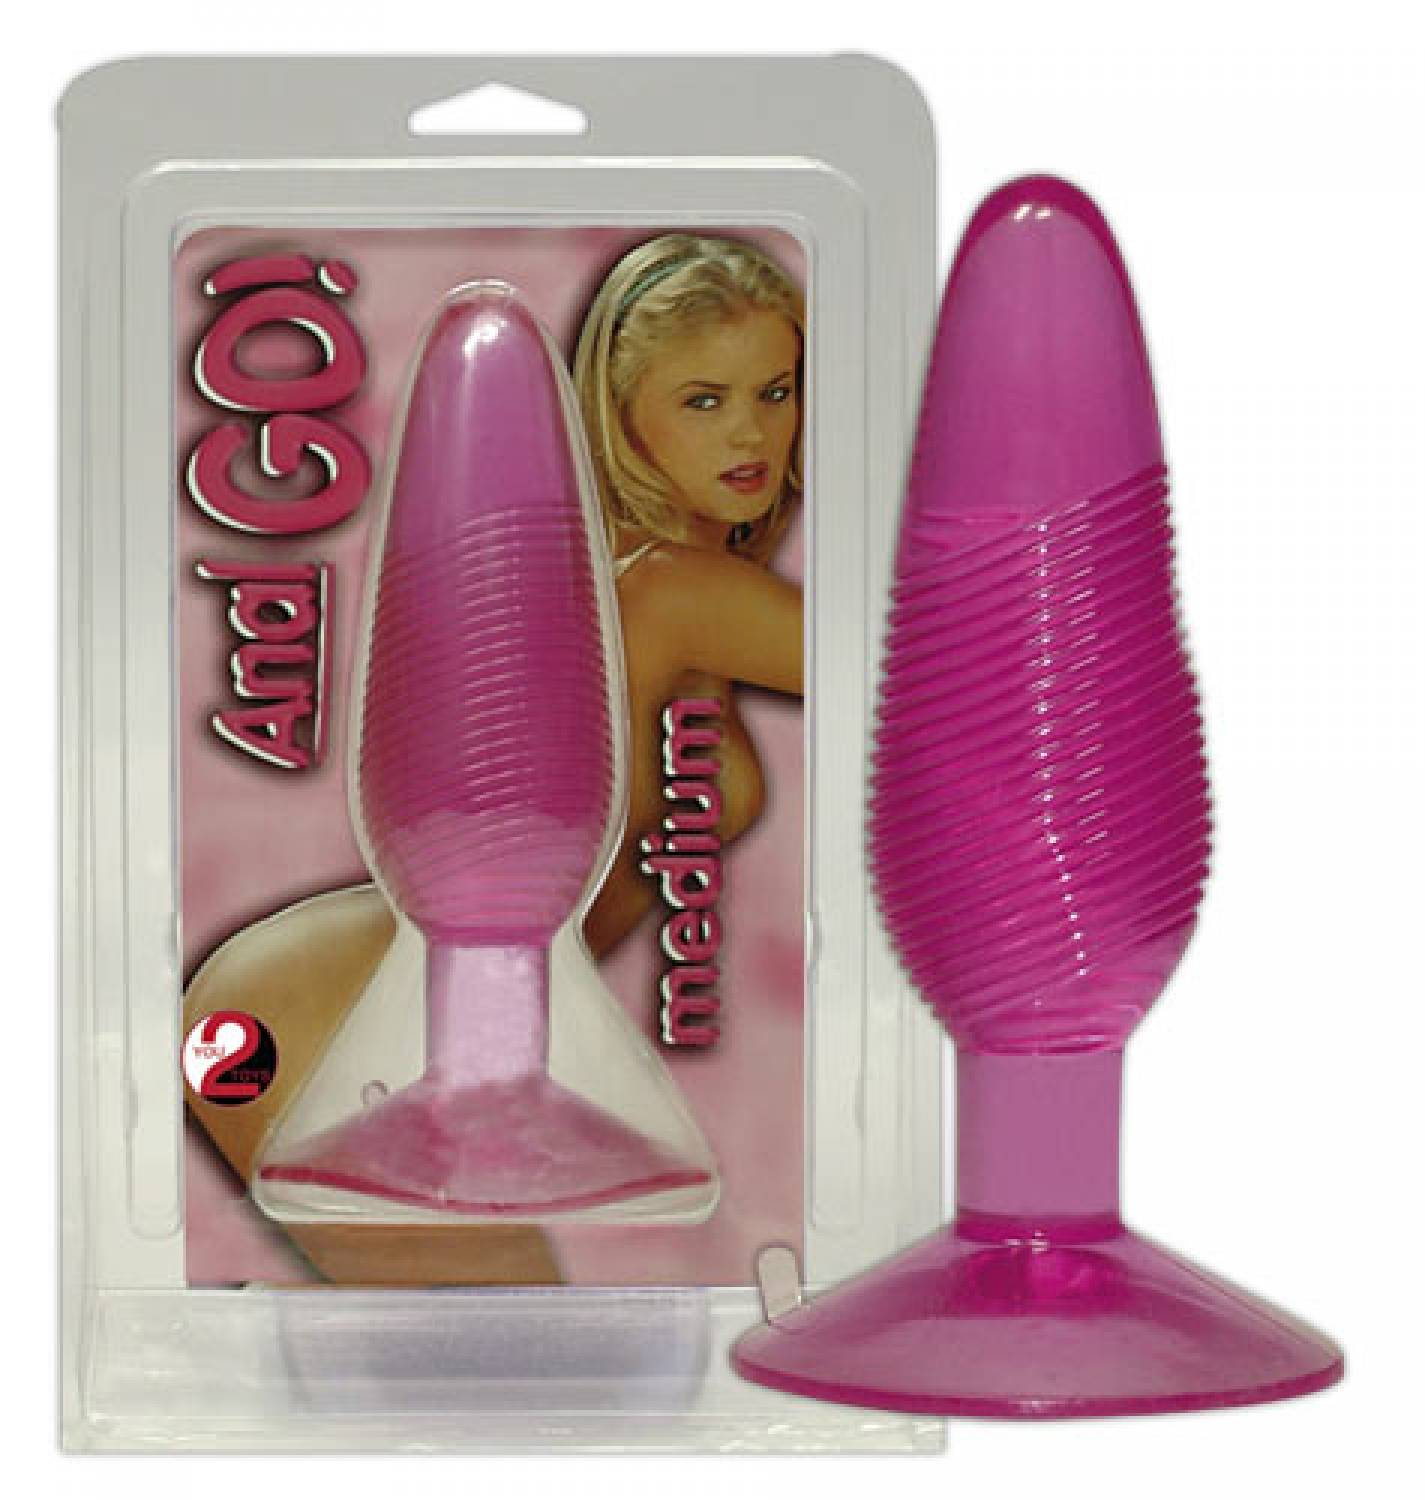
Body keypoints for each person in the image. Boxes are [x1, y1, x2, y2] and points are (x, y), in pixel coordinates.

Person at [573, 234, 805, 955]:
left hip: (456, 980)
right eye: (703, 401)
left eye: (775, 393)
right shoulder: (672, 590)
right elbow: (960, 679)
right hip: (372, 982)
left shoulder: (632, 574)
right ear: (620, 413)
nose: (750, 433)